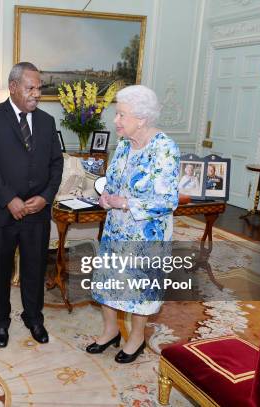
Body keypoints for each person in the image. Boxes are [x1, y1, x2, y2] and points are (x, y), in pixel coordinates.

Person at [87, 85, 179, 363]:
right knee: (108, 281)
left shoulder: (164, 148)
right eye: (117, 114)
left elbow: (167, 200)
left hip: (146, 233)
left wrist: (125, 203)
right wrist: (106, 196)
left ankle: (137, 337)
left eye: (121, 115)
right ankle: (110, 330)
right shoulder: (125, 145)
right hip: (116, 228)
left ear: (141, 118)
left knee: (140, 288)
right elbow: (114, 181)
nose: (115, 121)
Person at [0, 62, 64, 348]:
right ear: (13, 87)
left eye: (39, 88)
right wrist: (9, 199)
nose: (36, 94)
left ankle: (34, 318)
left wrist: (46, 196)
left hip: (36, 214)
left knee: (35, 268)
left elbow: (56, 164)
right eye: (30, 88)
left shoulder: (48, 122)